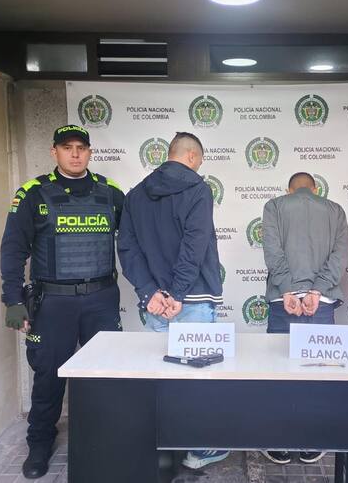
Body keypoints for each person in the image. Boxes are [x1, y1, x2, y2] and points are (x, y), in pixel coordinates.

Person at [0, 124, 124, 479]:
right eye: (67, 147)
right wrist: (12, 299)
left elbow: (132, 242)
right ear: (54, 151)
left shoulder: (112, 193)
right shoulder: (33, 193)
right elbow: (13, 249)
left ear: (90, 152)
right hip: (53, 303)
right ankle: (40, 442)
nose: (75, 153)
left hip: (101, 299)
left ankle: (108, 438)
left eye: (81, 147)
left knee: (105, 375)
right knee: (49, 375)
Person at [117, 131, 226, 469]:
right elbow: (195, 244)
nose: (199, 165)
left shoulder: (135, 194)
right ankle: (198, 450)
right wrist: (177, 292)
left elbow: (127, 249)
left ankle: (163, 449)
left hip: (156, 303)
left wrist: (149, 291)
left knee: (161, 376)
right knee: (197, 380)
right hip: (190, 298)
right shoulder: (198, 188)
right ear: (192, 156)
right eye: (200, 160)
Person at [261, 172, 348, 465]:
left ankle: (279, 442)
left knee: (279, 373)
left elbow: (272, 252)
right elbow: (339, 256)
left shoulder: (274, 206)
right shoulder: (335, 210)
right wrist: (317, 289)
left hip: (283, 300)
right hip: (320, 302)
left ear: (289, 190)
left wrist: (288, 288)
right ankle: (312, 440)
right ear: (315, 189)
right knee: (318, 374)